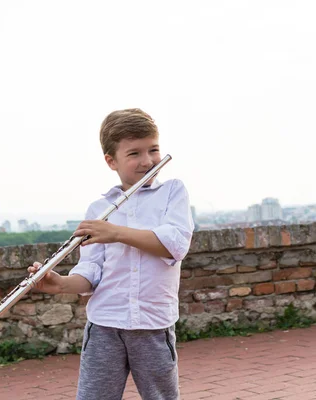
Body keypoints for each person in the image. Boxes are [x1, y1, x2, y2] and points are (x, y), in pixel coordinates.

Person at [27, 108, 195, 400]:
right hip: (104, 324)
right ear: (111, 160)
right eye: (134, 154)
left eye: (153, 150)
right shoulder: (99, 209)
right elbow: (91, 271)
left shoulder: (172, 192)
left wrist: (116, 233)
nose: (147, 161)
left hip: (152, 325)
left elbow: (175, 244)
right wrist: (62, 283)